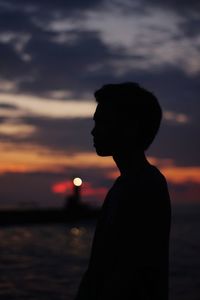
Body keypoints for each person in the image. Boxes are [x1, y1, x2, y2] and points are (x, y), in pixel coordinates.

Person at [74, 82, 171, 300]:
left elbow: (128, 271)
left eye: (102, 122)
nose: (93, 130)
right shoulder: (127, 185)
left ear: (130, 126)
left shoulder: (144, 186)